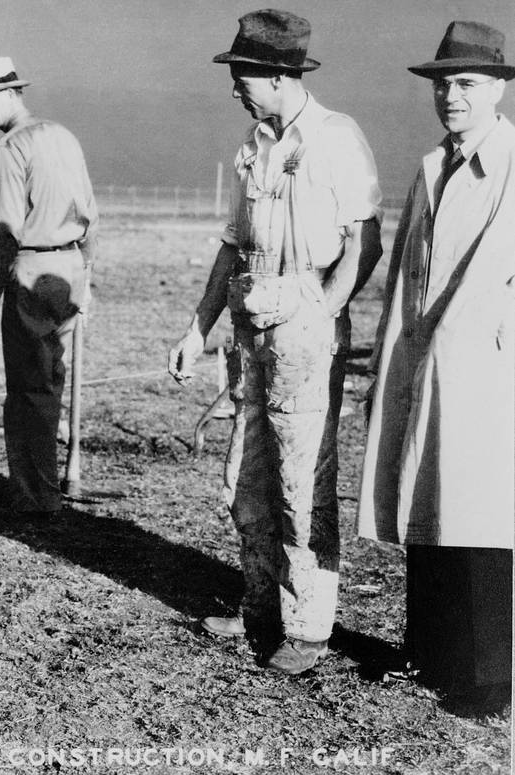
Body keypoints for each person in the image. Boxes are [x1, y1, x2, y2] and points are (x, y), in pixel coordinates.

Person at [167, 10, 383, 674]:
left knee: (300, 480)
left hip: (304, 318)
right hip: (249, 320)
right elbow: (232, 246)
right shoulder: (253, 142)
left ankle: (306, 627)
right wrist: (196, 328)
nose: (236, 87)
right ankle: (257, 604)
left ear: (279, 75)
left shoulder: (335, 137)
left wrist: (325, 312)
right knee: (245, 473)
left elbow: (363, 241)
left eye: (243, 76)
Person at [357, 21, 514, 712]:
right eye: (443, 84)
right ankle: (426, 654)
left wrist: (478, 344)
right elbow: (405, 277)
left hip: (485, 366)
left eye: (467, 84)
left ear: (497, 91)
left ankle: (485, 682)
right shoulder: (430, 168)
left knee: (479, 514)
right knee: (428, 500)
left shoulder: (510, 164)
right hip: (423, 356)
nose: (451, 96)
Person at [0, 57, 98, 516]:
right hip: (70, 271)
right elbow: (91, 213)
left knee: (27, 394)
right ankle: (47, 489)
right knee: (51, 385)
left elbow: (3, 230)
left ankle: (35, 500)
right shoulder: (63, 135)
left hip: (30, 273)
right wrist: (87, 274)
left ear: (10, 95)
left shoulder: (11, 146)